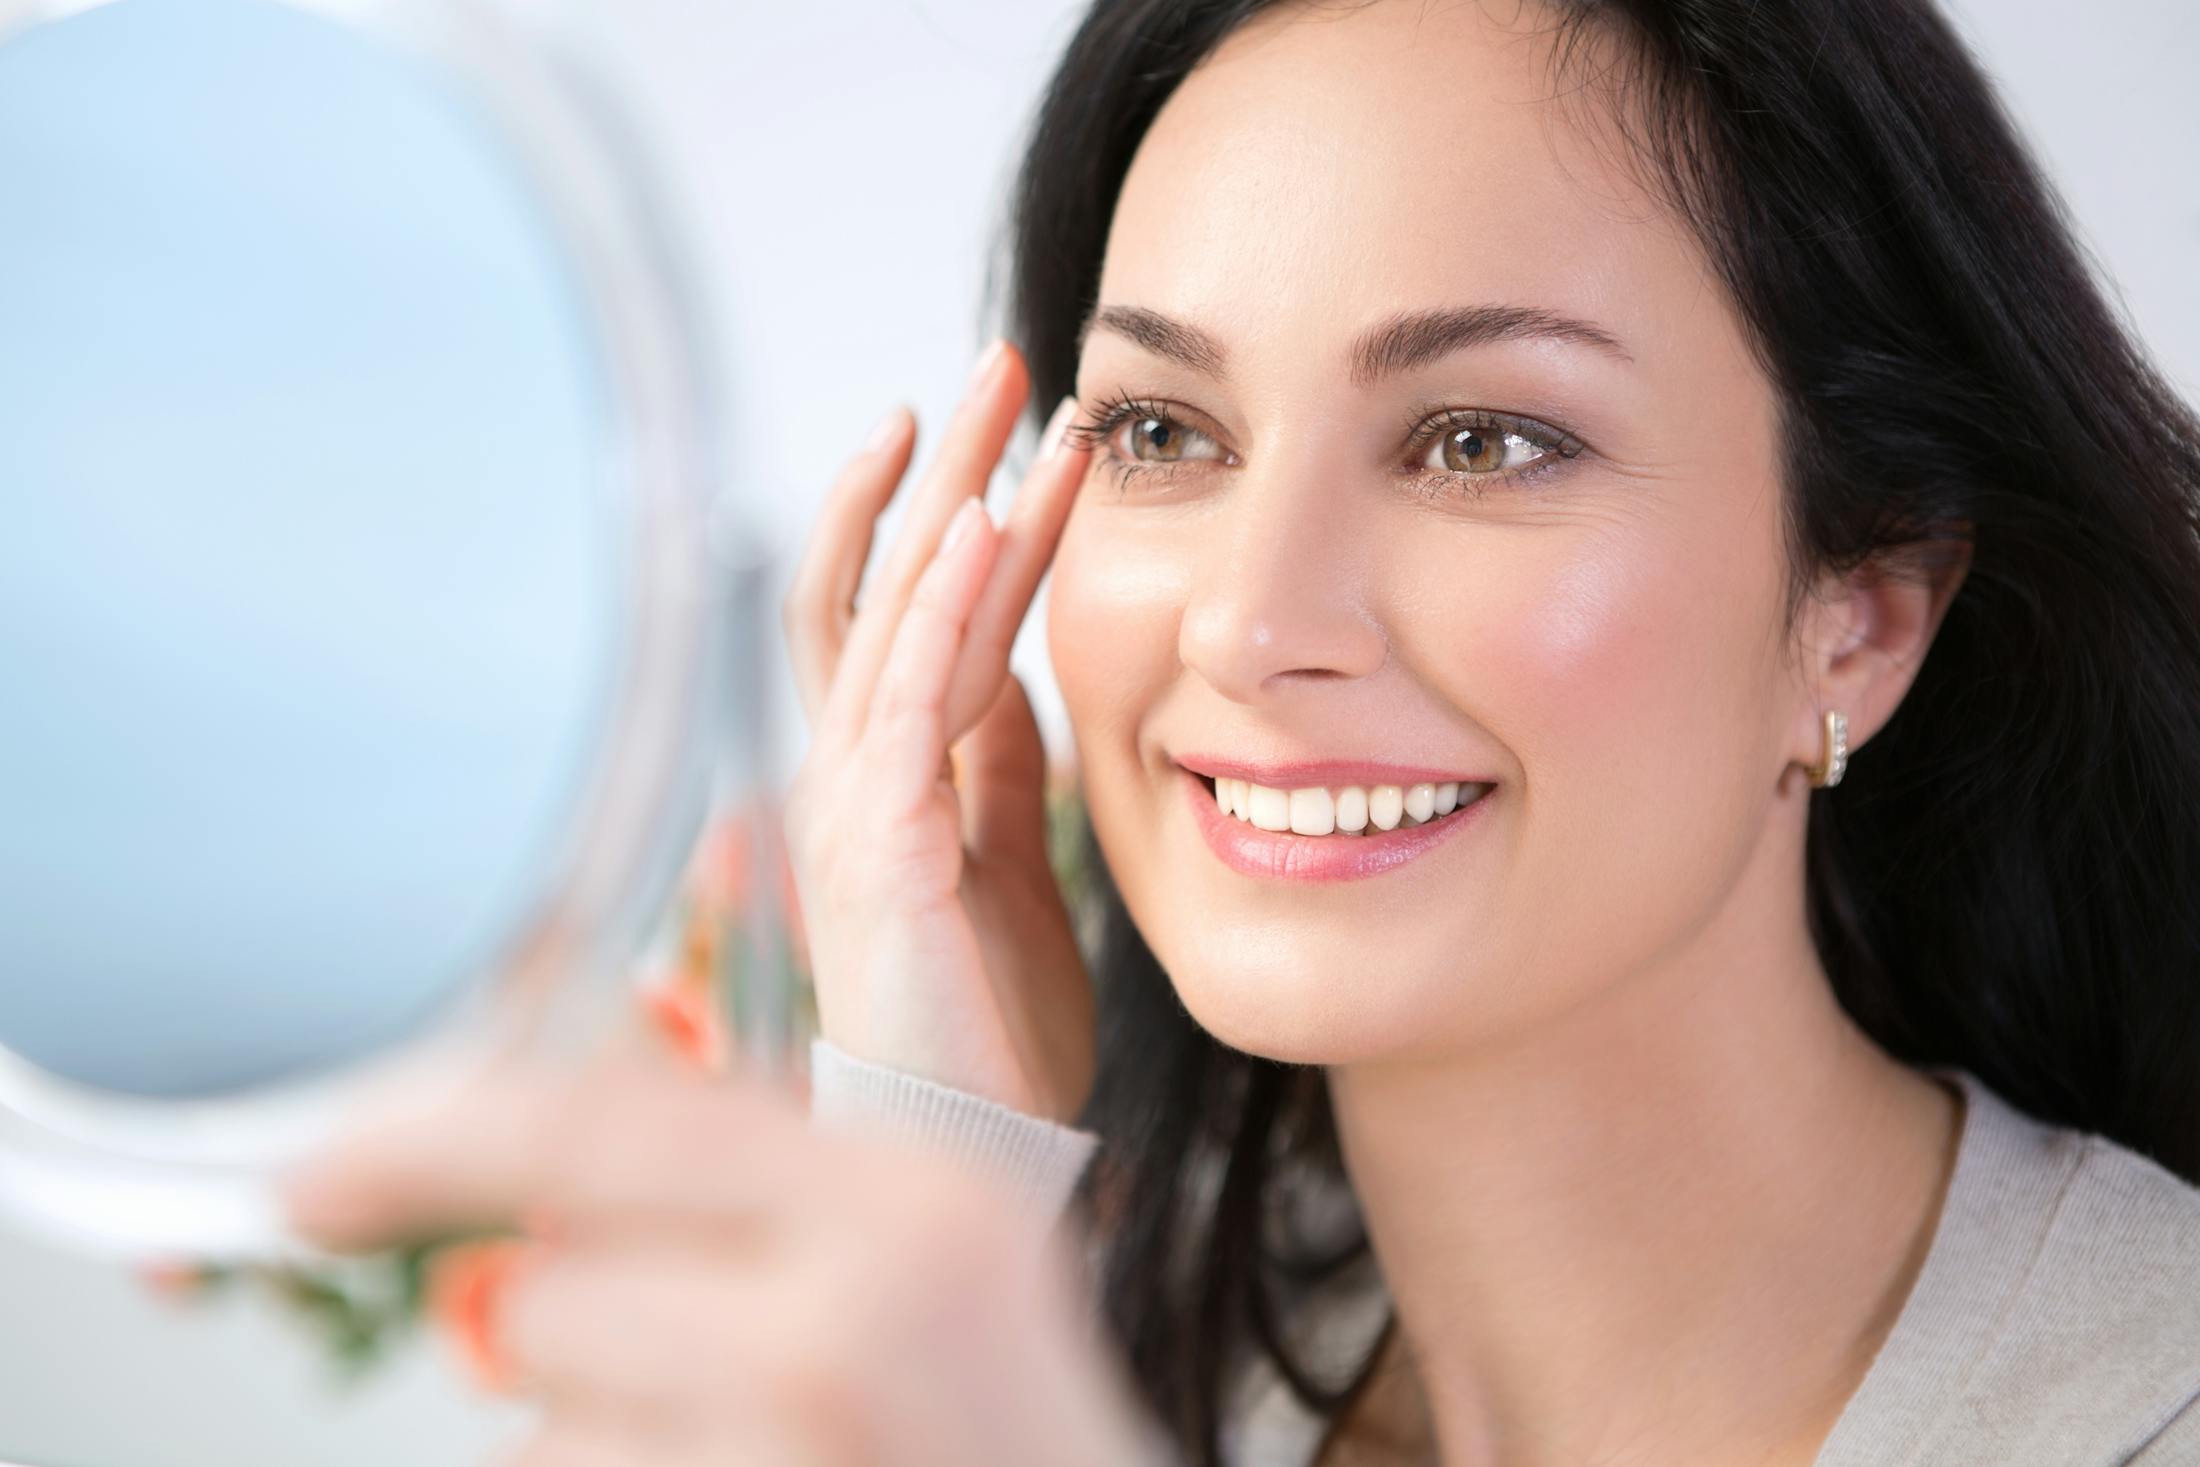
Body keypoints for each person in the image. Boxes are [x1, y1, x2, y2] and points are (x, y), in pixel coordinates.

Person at [284, 1, 2200, 1463]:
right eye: (1163, 434)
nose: (1255, 620)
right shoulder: (1063, 1337)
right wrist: (936, 1164)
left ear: (1857, 614)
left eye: (1483, 440)